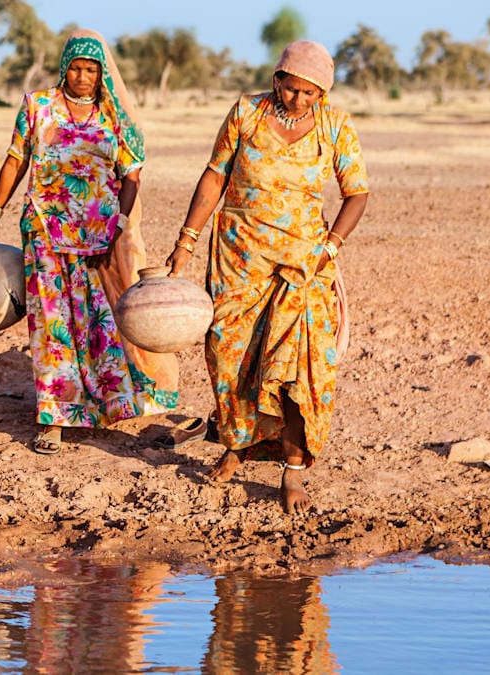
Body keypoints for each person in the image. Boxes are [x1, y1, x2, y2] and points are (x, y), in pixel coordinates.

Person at [166, 41, 369, 513]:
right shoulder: (246, 113)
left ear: (323, 93)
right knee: (229, 356)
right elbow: (215, 176)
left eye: (309, 94)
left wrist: (331, 245)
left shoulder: (336, 127)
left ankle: (292, 471)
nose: (297, 100)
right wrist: (186, 242)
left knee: (298, 367)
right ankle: (237, 445)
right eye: (290, 88)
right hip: (238, 259)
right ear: (276, 78)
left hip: (303, 266)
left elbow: (356, 193)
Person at [0, 29, 179, 455]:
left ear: (101, 73)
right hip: (45, 230)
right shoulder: (38, 105)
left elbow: (132, 175)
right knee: (50, 323)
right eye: (76, 68)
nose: (83, 77)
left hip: (98, 238)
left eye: (91, 70)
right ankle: (55, 416)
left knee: (96, 323)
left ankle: (107, 402)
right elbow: (16, 159)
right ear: (63, 67)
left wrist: (120, 223)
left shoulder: (113, 117)